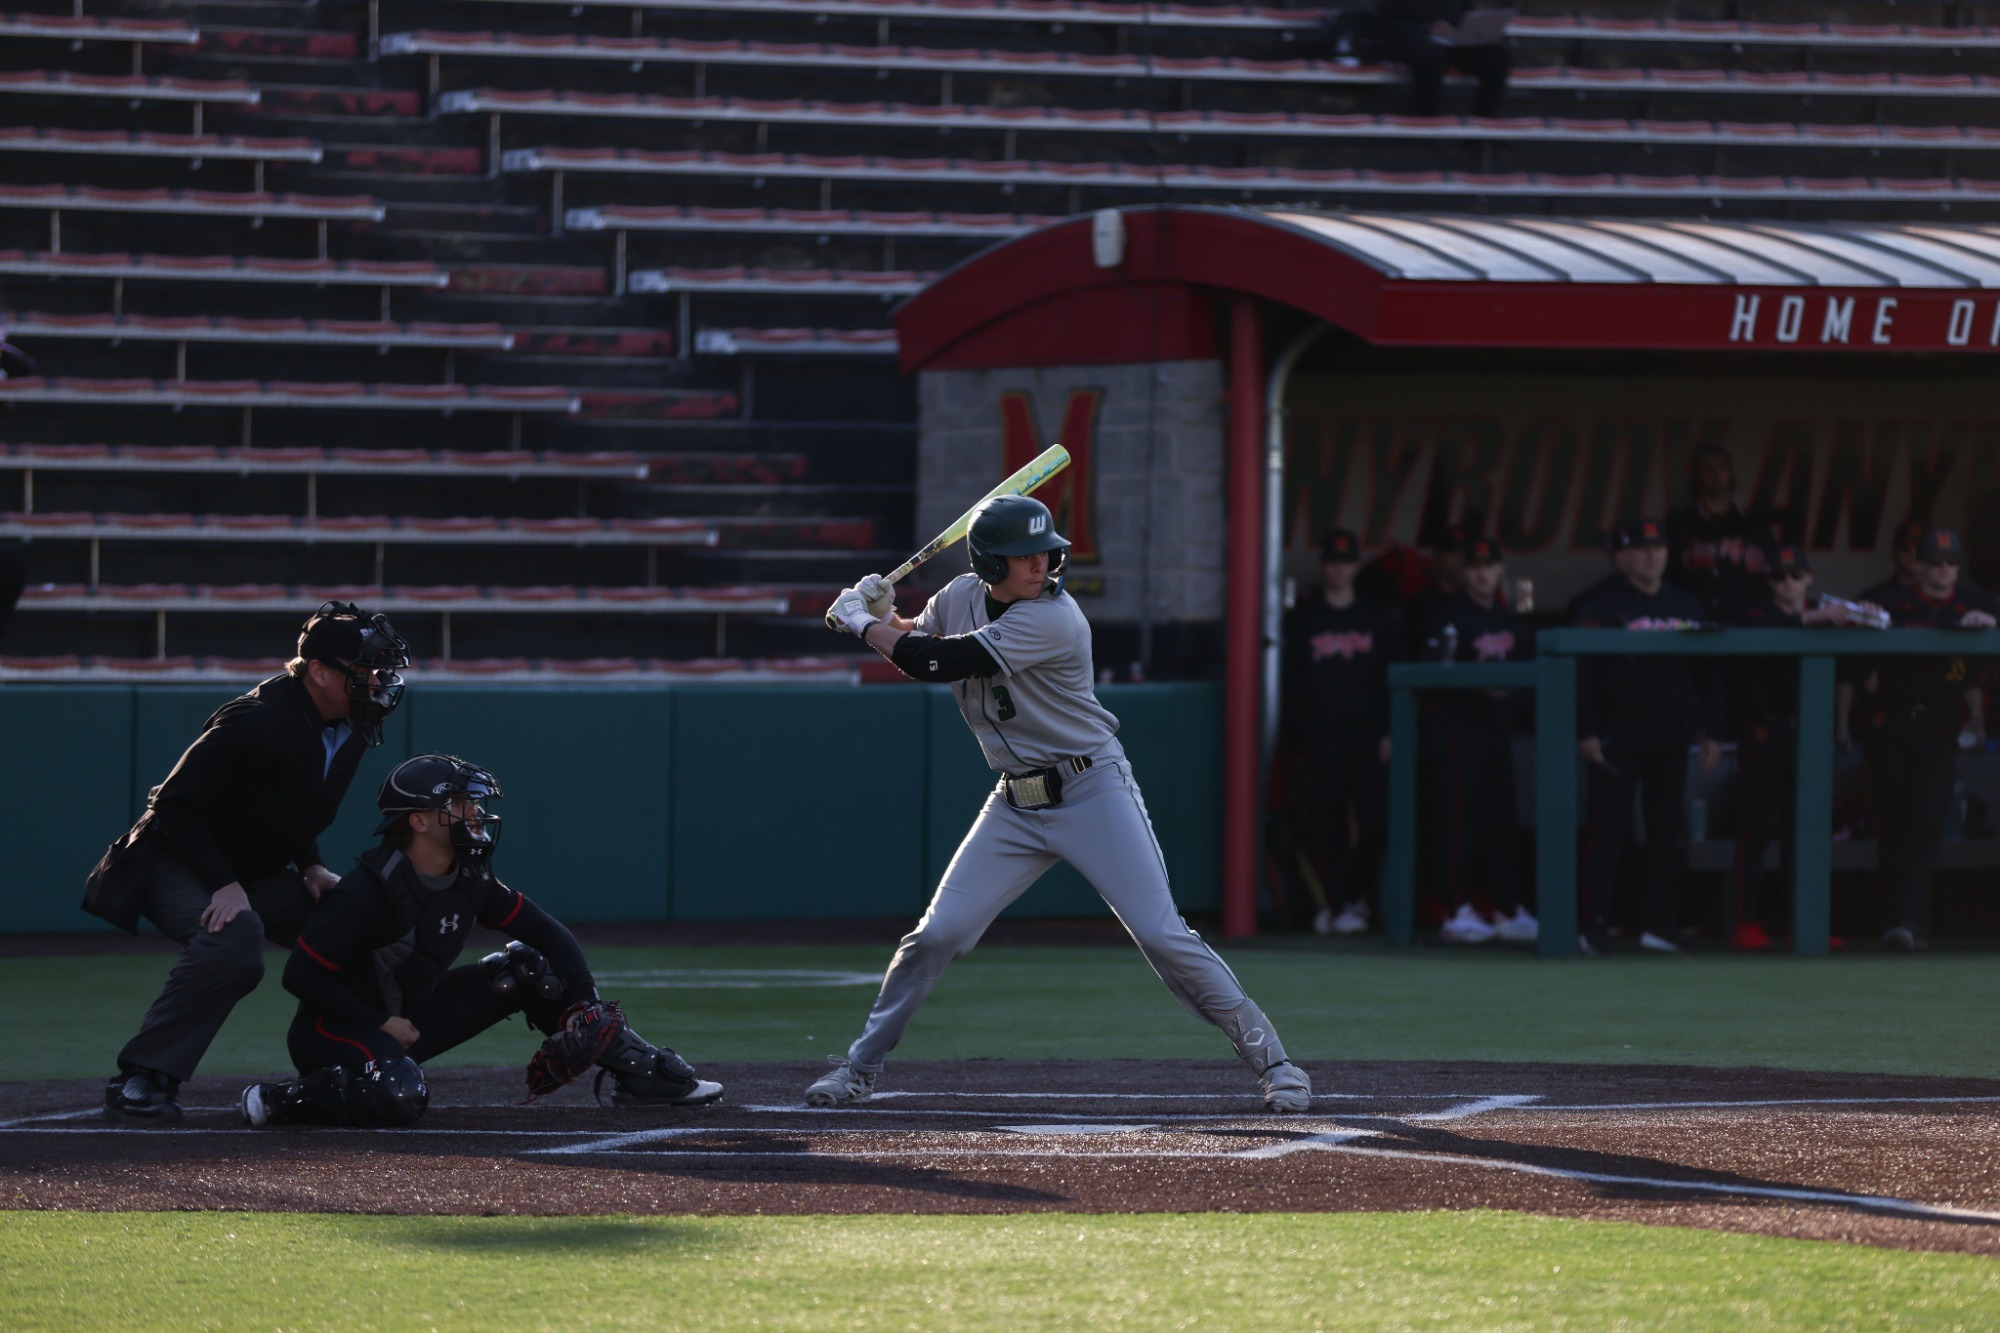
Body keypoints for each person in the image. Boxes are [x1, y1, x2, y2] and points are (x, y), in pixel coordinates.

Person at [813, 495, 1312, 1113]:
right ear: (990, 565)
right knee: (936, 935)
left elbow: (940, 661)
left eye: (1047, 551)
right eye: (1025, 556)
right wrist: (887, 614)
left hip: (1090, 788)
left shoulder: (1054, 618)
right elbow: (919, 637)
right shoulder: (960, 594)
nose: (1043, 563)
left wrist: (862, 623)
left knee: (1162, 934)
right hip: (1014, 803)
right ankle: (860, 1067)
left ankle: (1277, 1065)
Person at [240, 754, 721, 1126]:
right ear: (419, 820)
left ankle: (646, 1078)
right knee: (398, 1093)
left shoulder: (469, 877)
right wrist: (380, 1022)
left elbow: (546, 933)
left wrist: (584, 1006)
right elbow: (301, 976)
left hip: (411, 1018)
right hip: (334, 1034)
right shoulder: (367, 891)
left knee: (531, 970)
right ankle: (286, 1098)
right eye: (459, 804)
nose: (474, 813)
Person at [90, 601, 409, 1125]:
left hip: (249, 867)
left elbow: (292, 807)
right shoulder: (257, 719)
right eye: (364, 670)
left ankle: (348, 1063)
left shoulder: (347, 723)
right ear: (319, 672)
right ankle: (142, 1078)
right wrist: (225, 884)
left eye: (380, 669)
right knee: (234, 940)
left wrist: (310, 866)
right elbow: (173, 804)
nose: (376, 680)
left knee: (349, 919)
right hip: (171, 858)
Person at [1572, 517, 1725, 956]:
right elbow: (1581, 675)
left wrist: (1711, 731)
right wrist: (1586, 732)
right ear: (1625, 556)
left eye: (1657, 548)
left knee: (1664, 833)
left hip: (1670, 736)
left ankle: (1658, 923)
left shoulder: (1687, 604)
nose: (1650, 556)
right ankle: (1593, 924)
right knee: (1609, 832)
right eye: (1640, 549)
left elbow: (1709, 672)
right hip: (1616, 736)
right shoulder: (1600, 606)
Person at [1728, 546, 1876, 951]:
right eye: (1780, 577)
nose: (1788, 583)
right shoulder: (1755, 612)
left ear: (1809, 578)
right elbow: (1758, 627)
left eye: (1796, 576)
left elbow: (1861, 643)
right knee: (1757, 828)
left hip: (1809, 734)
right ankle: (1746, 924)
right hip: (1764, 731)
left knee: (1806, 830)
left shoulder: (1827, 611)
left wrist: (1862, 616)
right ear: (1770, 582)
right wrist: (1817, 618)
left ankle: (1805, 924)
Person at [1867, 528, 1999, 951]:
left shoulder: (1974, 598)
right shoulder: (1892, 601)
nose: (1944, 571)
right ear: (1920, 565)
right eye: (1937, 563)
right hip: (1893, 722)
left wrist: (1991, 621)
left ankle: (1911, 923)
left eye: (1951, 564)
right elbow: (1855, 630)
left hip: (1940, 726)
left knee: (1927, 823)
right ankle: (1893, 920)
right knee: (1893, 822)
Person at [1282, 529, 1402, 937]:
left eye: (1346, 561)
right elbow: (1293, 685)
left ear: (1355, 566)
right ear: (1324, 566)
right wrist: (1297, 740)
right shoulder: (1304, 622)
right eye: (1332, 561)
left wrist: (1389, 732)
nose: (1339, 569)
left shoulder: (1376, 618)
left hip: (1368, 735)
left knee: (1375, 824)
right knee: (1327, 824)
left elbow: (1390, 681)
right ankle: (1337, 904)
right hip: (1322, 735)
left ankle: (1355, 898)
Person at [1419, 537, 1535, 944]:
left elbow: (1526, 677)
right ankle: (1456, 908)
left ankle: (1503, 907)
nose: (1484, 574)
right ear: (1464, 572)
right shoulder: (1449, 617)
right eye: (1475, 567)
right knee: (1458, 820)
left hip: (1497, 732)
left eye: (1490, 566)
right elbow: (1436, 676)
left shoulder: (1510, 620)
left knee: (1501, 820)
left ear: (1501, 570)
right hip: (1459, 732)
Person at [1667, 444, 1776, 621]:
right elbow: (1669, 579)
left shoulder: (1755, 524)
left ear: (1731, 473)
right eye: (1707, 470)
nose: (1716, 475)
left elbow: (1775, 573)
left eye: (1721, 468)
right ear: (1695, 478)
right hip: (1695, 625)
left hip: (1750, 625)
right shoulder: (1680, 524)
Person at [1377, 0, 1511, 118]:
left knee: (1497, 57)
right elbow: (1385, 22)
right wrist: (1427, 28)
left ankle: (1483, 123)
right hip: (1412, 42)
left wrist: (1468, 32)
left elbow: (1466, 16)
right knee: (1431, 57)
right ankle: (1428, 120)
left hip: (1452, 43)